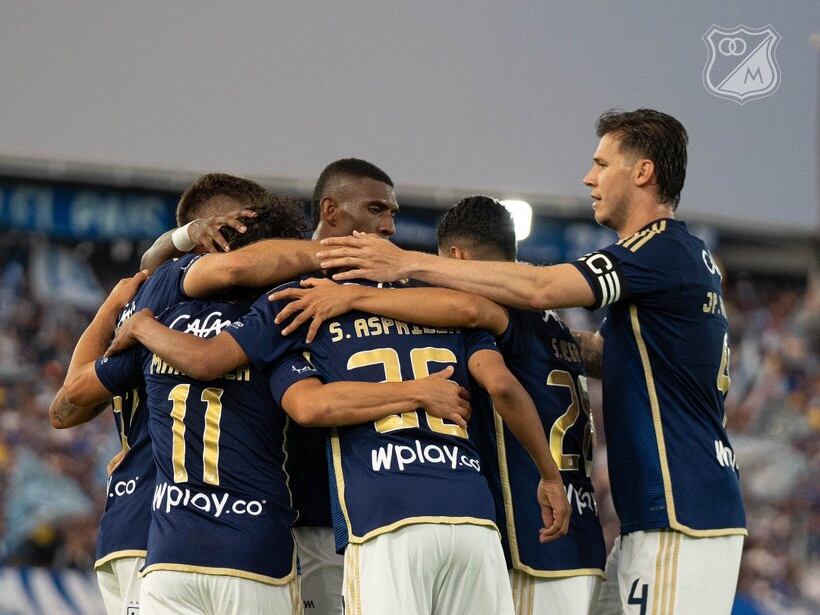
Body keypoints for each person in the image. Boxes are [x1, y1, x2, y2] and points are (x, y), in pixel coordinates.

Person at [316, 109, 747, 614]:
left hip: (677, 510)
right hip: (654, 517)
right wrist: (545, 339)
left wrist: (404, 264)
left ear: (642, 172)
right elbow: (607, 355)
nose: (589, 178)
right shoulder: (679, 258)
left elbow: (541, 287)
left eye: (601, 164)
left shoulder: (657, 250)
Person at [53, 201, 469, 615]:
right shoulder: (278, 317)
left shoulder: (159, 316)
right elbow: (304, 403)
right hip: (252, 547)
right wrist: (416, 391)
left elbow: (65, 404)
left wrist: (118, 310)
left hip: (164, 549)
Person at [103, 267, 570, 615]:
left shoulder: (310, 315)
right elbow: (503, 386)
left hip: (385, 520)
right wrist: (549, 476)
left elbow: (309, 406)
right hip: (474, 517)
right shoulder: (443, 309)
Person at [268, 195, 607, 614]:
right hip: (570, 531)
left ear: (456, 259)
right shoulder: (554, 323)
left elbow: (484, 343)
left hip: (529, 535)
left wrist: (356, 294)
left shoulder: (491, 311)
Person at [48, 172, 276, 615]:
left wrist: (112, 306)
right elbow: (63, 408)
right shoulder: (202, 318)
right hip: (164, 531)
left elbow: (63, 410)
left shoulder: (146, 307)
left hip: (135, 527)